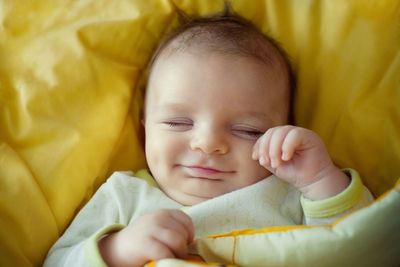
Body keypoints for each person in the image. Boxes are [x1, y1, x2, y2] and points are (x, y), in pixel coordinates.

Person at [44, 15, 373, 267]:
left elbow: (363, 247)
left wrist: (320, 180)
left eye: (248, 131)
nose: (207, 143)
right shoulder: (124, 195)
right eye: (178, 122)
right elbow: (57, 262)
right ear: (144, 135)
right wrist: (116, 250)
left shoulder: (289, 193)